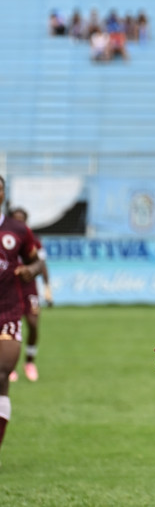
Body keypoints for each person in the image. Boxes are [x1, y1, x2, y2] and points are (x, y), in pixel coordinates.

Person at [0, 176, 44, 461]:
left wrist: (33, 270)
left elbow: (38, 260)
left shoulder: (17, 229)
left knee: (1, 373)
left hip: (7, 311)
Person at [8, 208, 52, 383]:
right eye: (16, 220)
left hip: (29, 289)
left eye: (22, 221)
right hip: (9, 289)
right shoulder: (5, 236)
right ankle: (9, 366)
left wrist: (47, 287)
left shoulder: (32, 240)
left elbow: (41, 264)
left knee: (33, 324)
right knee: (10, 330)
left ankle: (30, 362)